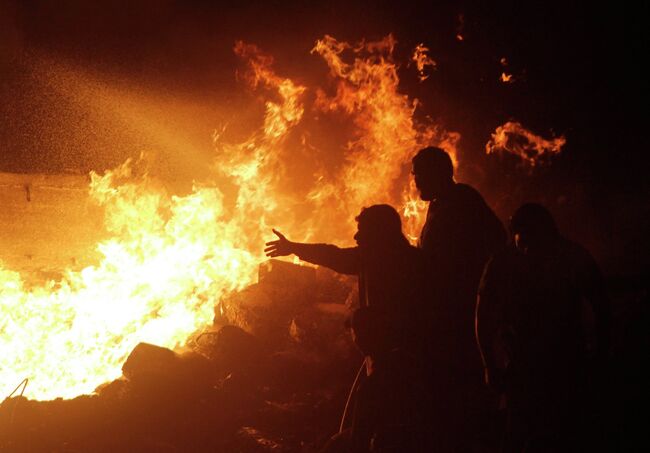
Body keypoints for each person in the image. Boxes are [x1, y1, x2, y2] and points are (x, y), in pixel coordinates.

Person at [265, 204, 431, 452]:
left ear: (379, 233)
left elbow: (334, 256)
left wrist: (293, 248)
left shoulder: (383, 260)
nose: (356, 237)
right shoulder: (399, 259)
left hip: (398, 357)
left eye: (362, 231)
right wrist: (294, 248)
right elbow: (333, 255)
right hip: (398, 355)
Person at [475, 203, 611, 452]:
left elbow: (601, 303)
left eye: (533, 238)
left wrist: (600, 351)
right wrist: (490, 365)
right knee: (522, 432)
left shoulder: (569, 256)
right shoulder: (503, 263)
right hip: (521, 365)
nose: (529, 247)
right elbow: (483, 317)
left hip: (566, 362)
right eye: (523, 240)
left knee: (565, 433)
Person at [411, 146, 506, 451]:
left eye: (419, 175)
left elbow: (497, 240)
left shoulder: (463, 200)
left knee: (463, 383)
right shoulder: (437, 205)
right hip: (441, 312)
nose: (416, 182)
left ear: (439, 173)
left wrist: (477, 284)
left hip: (461, 311)